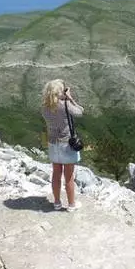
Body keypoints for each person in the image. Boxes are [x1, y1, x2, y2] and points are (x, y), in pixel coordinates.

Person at [41, 79, 84, 211]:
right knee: (69, 177)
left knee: (56, 173)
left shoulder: (44, 107)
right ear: (59, 91)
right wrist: (70, 98)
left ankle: (57, 203)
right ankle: (71, 204)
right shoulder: (64, 105)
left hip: (53, 143)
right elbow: (80, 112)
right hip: (66, 144)